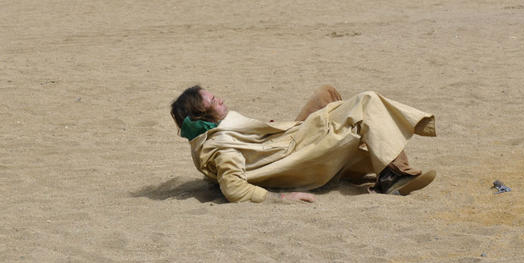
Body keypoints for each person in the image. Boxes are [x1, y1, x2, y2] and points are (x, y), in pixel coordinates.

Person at [170, 84, 437, 203]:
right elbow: (234, 189)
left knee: (327, 93)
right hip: (298, 151)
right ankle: (393, 176)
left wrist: (264, 134)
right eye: (213, 101)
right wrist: (282, 198)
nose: (220, 99)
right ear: (200, 116)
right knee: (367, 101)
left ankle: (375, 155)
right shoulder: (222, 147)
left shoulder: (219, 133)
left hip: (286, 139)